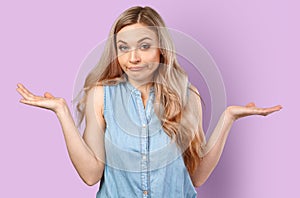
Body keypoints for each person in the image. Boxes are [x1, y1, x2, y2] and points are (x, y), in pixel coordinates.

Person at [16, 6, 282, 198]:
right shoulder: (101, 95)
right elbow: (91, 175)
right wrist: (62, 111)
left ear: (161, 49)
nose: (133, 58)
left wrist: (228, 119)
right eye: (123, 48)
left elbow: (197, 176)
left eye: (144, 46)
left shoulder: (187, 96)